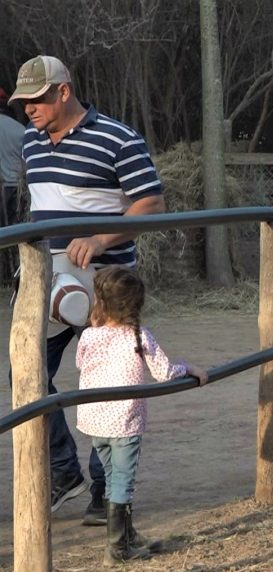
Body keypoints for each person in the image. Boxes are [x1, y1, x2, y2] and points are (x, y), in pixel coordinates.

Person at [8, 55, 167, 523]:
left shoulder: (118, 138)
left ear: (64, 90)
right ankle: (64, 470)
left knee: (111, 388)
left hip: (106, 286)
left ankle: (105, 492)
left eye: (37, 99)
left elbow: (152, 203)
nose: (29, 109)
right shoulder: (31, 145)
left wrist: (100, 238)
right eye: (24, 101)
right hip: (47, 282)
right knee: (28, 372)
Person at [76, 267, 207, 565]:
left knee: (112, 477)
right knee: (123, 479)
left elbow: (81, 365)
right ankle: (118, 549)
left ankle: (126, 535)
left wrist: (96, 326)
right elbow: (164, 373)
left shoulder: (88, 336)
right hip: (124, 420)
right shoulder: (139, 336)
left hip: (94, 419)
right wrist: (189, 369)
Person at [0, 87, 25, 278]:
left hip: (6, 189)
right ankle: (15, 273)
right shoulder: (20, 129)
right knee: (18, 234)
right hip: (17, 190)